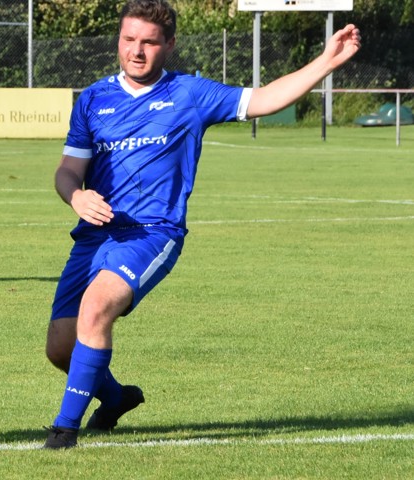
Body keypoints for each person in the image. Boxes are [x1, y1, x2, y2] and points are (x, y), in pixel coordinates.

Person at [43, 0, 361, 449]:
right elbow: (67, 171)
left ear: (169, 45)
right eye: (128, 39)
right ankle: (115, 399)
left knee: (95, 310)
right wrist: (76, 195)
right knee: (61, 348)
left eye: (149, 42)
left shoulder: (190, 94)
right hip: (94, 237)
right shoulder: (94, 98)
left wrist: (326, 61)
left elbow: (265, 98)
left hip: (152, 233)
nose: (137, 51)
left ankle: (63, 433)